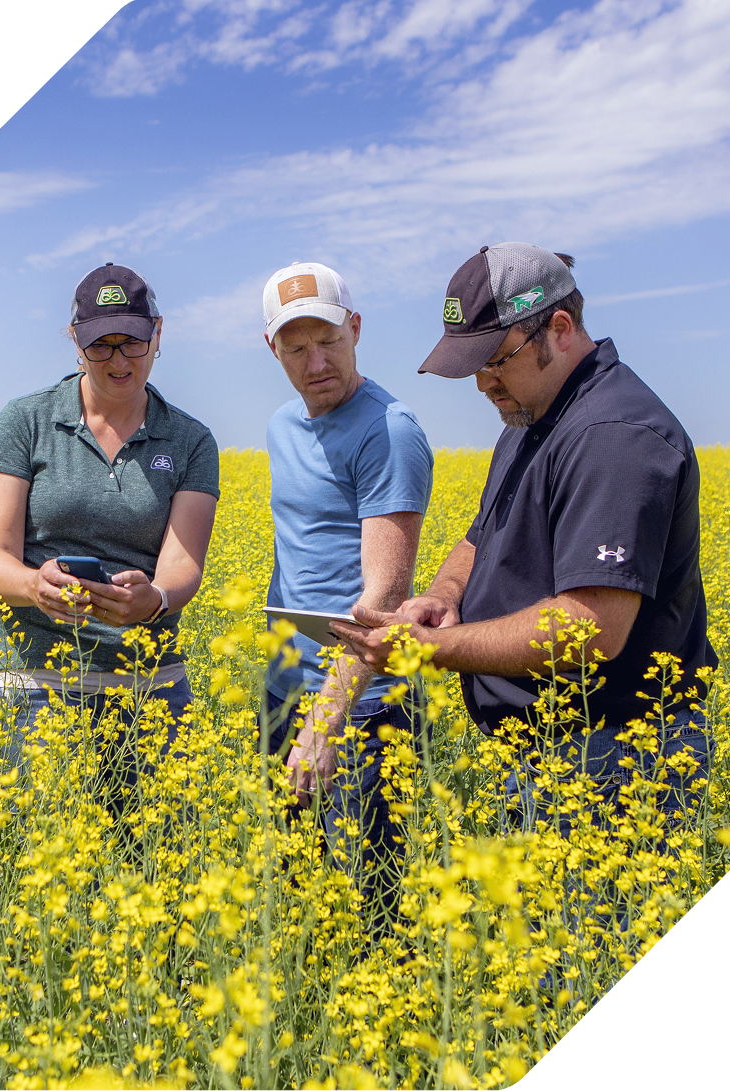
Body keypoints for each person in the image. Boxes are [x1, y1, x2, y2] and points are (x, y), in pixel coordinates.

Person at [333, 242, 716, 837]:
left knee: (604, 932)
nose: (484, 383)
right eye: (474, 367)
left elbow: (590, 626)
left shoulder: (614, 436)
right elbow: (481, 538)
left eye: (496, 359)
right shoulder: (534, 416)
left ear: (559, 329)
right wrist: (443, 596)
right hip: (544, 754)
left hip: (616, 763)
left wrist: (429, 648)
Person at [0, 262, 219, 794]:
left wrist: (153, 598)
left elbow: (183, 565)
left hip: (148, 685)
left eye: (131, 342)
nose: (117, 360)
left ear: (158, 334)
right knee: (41, 852)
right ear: (74, 341)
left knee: (158, 854)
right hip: (34, 682)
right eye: (99, 345)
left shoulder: (191, 441)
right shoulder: (26, 420)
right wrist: (33, 586)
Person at [261, 261, 434, 930]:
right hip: (283, 690)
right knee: (296, 892)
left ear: (355, 328)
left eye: (329, 340)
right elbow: (296, 550)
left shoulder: (389, 429)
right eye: (296, 347)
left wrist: (323, 724)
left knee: (371, 906)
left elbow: (383, 596)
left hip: (358, 706)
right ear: (271, 349)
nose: (316, 362)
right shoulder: (282, 425)